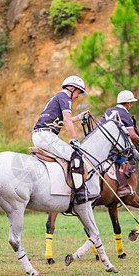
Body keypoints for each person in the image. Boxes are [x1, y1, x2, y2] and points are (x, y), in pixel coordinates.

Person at [32, 75, 99, 204]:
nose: (78, 96)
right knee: (76, 156)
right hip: (46, 135)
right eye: (78, 92)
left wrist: (78, 118)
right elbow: (67, 121)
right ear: (72, 89)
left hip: (40, 134)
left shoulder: (59, 97)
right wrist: (74, 140)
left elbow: (63, 120)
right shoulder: (65, 98)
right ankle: (80, 193)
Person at [100, 90, 139, 197]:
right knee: (124, 162)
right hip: (111, 146)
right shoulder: (125, 114)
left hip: (99, 145)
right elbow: (132, 135)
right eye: (131, 103)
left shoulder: (109, 110)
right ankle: (121, 189)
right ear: (128, 103)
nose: (131, 106)